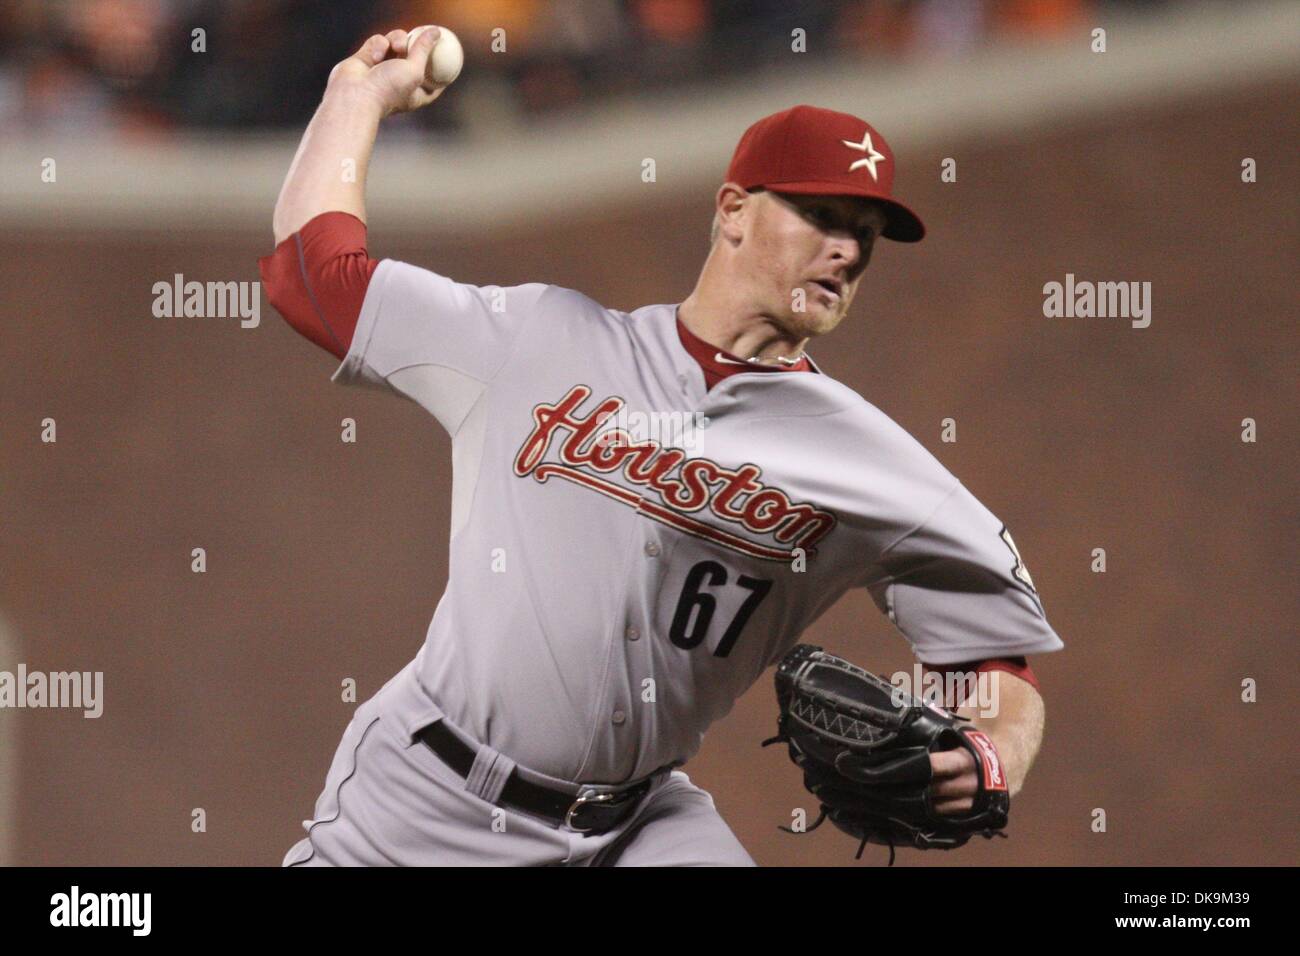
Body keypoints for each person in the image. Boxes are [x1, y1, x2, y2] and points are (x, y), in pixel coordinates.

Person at [259, 27, 1063, 867]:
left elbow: (995, 658)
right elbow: (310, 277)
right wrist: (356, 98)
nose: (849, 250)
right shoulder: (537, 337)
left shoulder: (872, 463)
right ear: (733, 212)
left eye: (865, 232)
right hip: (427, 801)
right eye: (823, 216)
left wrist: (991, 753)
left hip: (637, 829)